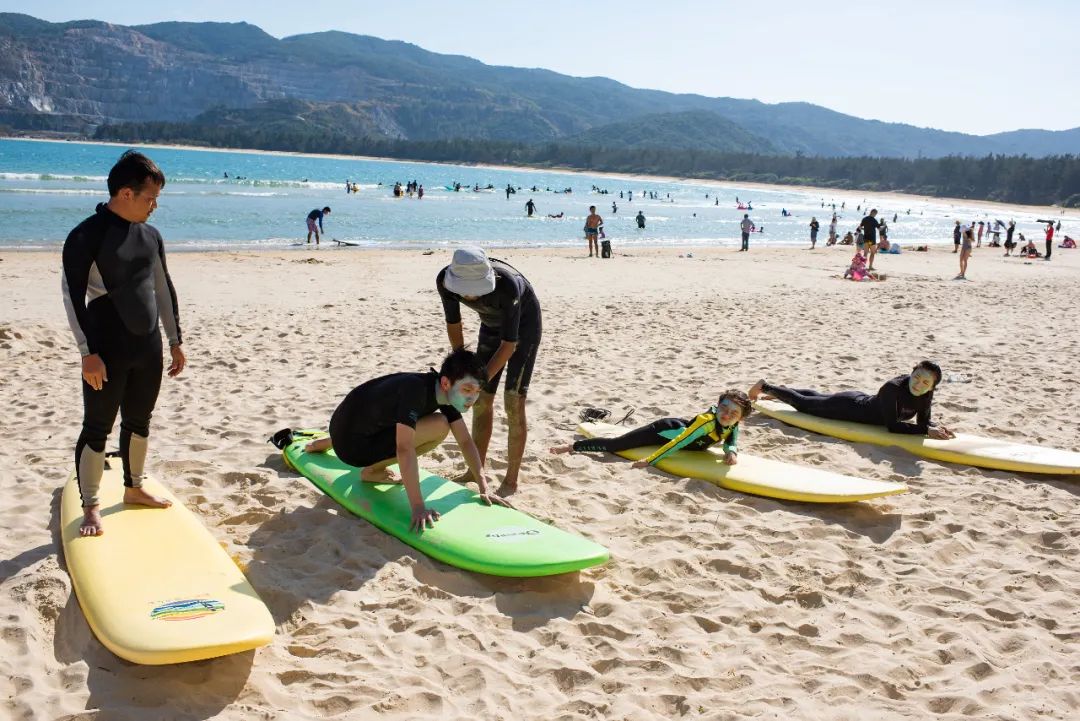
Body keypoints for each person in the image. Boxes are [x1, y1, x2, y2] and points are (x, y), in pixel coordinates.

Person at [61, 150, 186, 537]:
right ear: (126, 193)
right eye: (150, 197)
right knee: (97, 426)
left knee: (139, 421)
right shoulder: (86, 236)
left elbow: (163, 289)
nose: (155, 206)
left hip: (147, 348)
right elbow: (72, 297)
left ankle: (133, 488)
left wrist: (175, 340)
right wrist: (87, 354)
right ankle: (92, 506)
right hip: (106, 351)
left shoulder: (151, 236)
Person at [301, 349, 510, 532]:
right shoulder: (415, 391)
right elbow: (404, 448)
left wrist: (484, 486)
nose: (472, 398)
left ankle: (326, 443)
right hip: (352, 448)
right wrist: (418, 507)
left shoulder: (440, 390)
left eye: (476, 392)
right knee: (439, 425)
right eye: (467, 389)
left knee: (419, 422)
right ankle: (371, 471)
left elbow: (465, 441)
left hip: (344, 431)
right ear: (446, 382)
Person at [436, 248, 542, 495]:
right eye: (467, 289)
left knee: (513, 401)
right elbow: (454, 324)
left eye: (477, 289)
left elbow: (509, 345)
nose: (471, 295)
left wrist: (478, 382)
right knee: (482, 402)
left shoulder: (508, 285)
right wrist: (460, 367)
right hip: (490, 326)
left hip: (523, 329)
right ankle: (475, 470)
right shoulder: (445, 282)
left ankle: (511, 481)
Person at [749, 361, 955, 439]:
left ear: (932, 387)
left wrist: (934, 426)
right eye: (916, 377)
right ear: (912, 372)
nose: (918, 384)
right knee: (804, 405)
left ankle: (784, 390)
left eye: (925, 382)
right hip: (848, 409)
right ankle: (765, 386)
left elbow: (922, 420)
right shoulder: (893, 388)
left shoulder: (927, 393)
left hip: (855, 398)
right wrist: (926, 431)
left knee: (818, 397)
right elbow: (892, 426)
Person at [549, 390, 752, 468]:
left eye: (733, 413)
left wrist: (731, 451)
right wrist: (650, 461)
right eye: (724, 407)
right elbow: (678, 442)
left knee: (619, 443)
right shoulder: (705, 422)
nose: (726, 414)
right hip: (663, 432)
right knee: (617, 445)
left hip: (685, 440)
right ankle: (572, 446)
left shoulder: (732, 423)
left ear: (740, 418)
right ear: (718, 405)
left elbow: (732, 438)